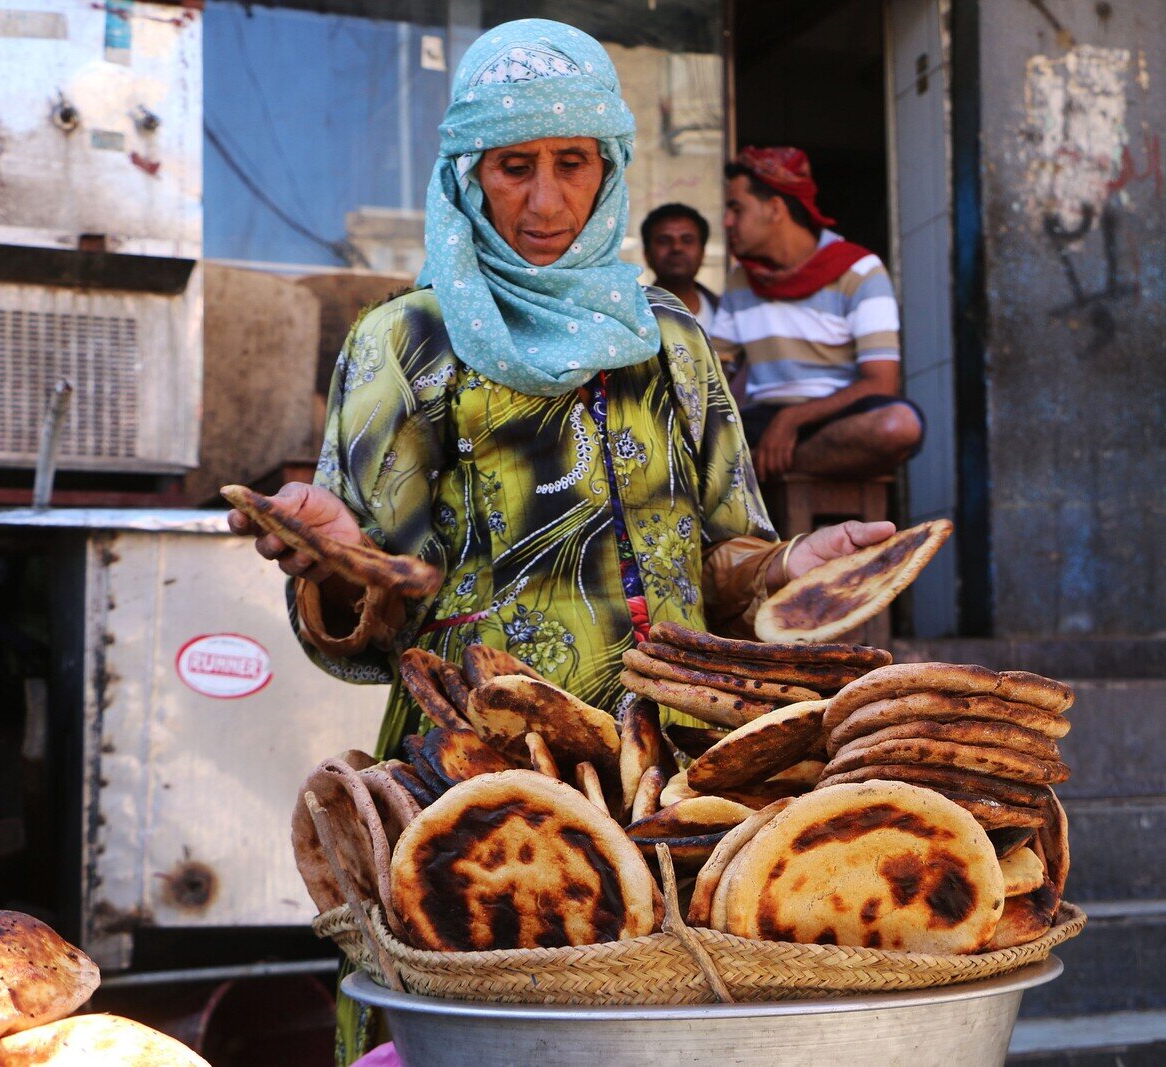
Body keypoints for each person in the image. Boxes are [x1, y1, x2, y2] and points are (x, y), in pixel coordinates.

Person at [226, 23, 895, 1065]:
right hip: (490, 779)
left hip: (677, 775)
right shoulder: (408, 341)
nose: (543, 204)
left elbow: (723, 561)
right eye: (513, 167)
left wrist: (786, 568)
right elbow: (379, 616)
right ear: (468, 173)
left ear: (609, 168)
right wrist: (337, 557)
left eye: (570, 164)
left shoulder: (668, 337)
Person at [709, 146, 925, 482]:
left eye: (736, 209)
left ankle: (755, 469)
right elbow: (713, 372)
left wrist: (792, 419)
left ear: (775, 209)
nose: (727, 222)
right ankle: (764, 463)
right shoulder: (740, 281)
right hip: (761, 421)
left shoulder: (861, 271)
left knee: (899, 425)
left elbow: (882, 382)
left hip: (837, 418)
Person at [641, 202, 719, 333]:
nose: (677, 248)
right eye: (664, 241)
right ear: (647, 255)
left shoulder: (727, 312)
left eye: (687, 240)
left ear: (703, 253)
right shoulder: (631, 318)